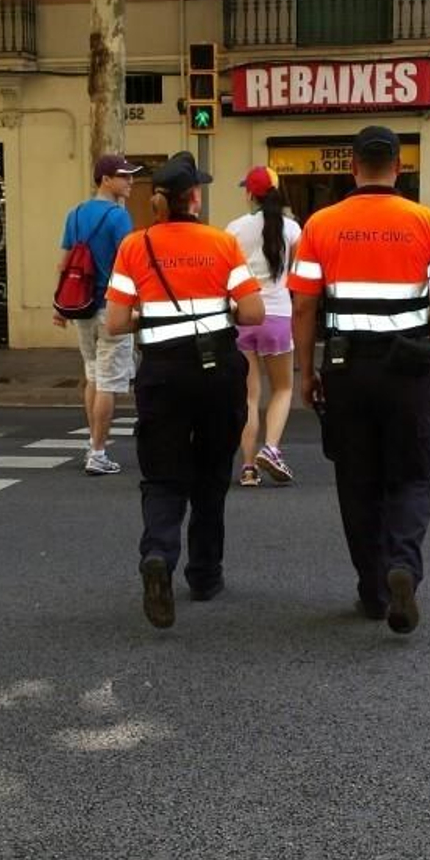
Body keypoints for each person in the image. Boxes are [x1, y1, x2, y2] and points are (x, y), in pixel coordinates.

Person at [291, 125, 430, 634]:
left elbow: (304, 306)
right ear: (398, 166)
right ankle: (403, 568)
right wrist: (420, 300)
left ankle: (373, 591)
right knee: (411, 475)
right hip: (407, 370)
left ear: (352, 167)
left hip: (346, 370)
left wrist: (307, 373)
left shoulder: (321, 224)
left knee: (357, 480)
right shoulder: (426, 222)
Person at [105, 152, 265, 629]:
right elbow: (254, 312)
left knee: (162, 475)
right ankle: (204, 574)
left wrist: (151, 317)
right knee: (212, 475)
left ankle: (157, 554)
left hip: (162, 373)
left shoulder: (136, 246)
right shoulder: (221, 244)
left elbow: (115, 322)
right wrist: (216, 313)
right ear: (194, 197)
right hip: (217, 372)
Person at [55, 154, 140, 474]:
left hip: (81, 308)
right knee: (107, 382)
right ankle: (98, 452)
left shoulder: (75, 213)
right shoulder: (119, 216)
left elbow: (64, 263)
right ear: (106, 179)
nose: (130, 182)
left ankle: (93, 442)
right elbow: (128, 262)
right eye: (125, 176)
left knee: (92, 374)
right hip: (111, 309)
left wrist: (58, 306)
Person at [226, 166, 302, 487]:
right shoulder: (293, 229)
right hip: (279, 316)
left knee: (248, 396)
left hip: (243, 314)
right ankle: (271, 449)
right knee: (283, 389)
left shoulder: (234, 229)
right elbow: (297, 274)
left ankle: (247, 468)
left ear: (249, 194)